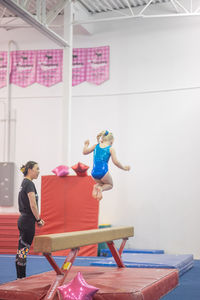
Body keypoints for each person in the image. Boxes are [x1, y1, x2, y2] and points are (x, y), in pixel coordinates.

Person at [15, 161, 45, 279]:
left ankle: (20, 276)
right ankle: (21, 277)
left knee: (21, 249)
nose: (38, 171)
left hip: (24, 219)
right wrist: (38, 219)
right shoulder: (29, 184)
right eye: (37, 169)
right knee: (23, 250)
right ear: (30, 170)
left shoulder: (24, 183)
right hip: (27, 221)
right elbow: (33, 205)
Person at [83, 130, 130, 200]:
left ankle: (96, 186)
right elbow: (116, 162)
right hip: (103, 172)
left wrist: (86, 144)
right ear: (112, 141)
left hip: (94, 173)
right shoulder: (111, 149)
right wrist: (124, 168)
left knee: (102, 184)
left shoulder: (96, 146)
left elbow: (84, 152)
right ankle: (100, 189)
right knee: (110, 185)